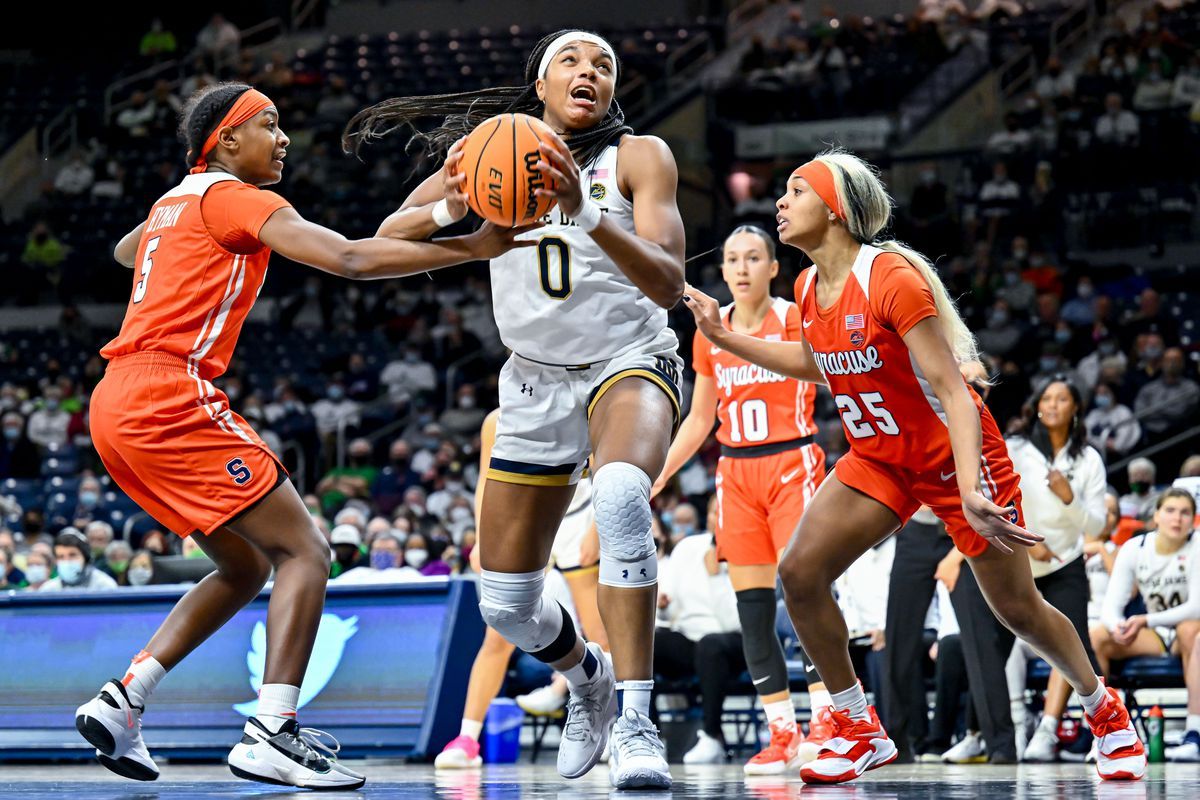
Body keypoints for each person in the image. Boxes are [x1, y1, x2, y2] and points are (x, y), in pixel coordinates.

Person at [73, 81, 533, 790]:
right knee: (307, 551)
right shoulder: (235, 197)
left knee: (246, 566)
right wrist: (472, 244)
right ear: (225, 141)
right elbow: (349, 258)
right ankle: (272, 732)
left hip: (113, 405)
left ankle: (124, 698)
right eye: (269, 124)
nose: (284, 138)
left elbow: (126, 252)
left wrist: (442, 207)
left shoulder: (178, 200)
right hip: (170, 391)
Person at [681, 148, 1145, 784]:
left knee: (1017, 608)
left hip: (954, 458)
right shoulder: (808, 285)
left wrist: (974, 488)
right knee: (801, 571)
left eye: (796, 190)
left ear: (837, 209)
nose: (780, 203)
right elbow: (822, 365)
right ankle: (854, 724)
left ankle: (1105, 712)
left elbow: (955, 392)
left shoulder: (891, 277)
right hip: (879, 458)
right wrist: (725, 337)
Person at [347, 29, 686, 789]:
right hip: (534, 376)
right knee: (505, 605)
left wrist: (585, 210)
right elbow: (390, 233)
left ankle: (636, 718)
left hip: (626, 357)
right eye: (570, 60)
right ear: (539, 84)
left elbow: (667, 282)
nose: (588, 71)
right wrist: (461, 218)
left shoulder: (639, 157)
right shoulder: (483, 150)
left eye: (602, 64)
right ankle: (588, 679)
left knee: (625, 493)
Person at [652, 224, 828, 773]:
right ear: (723, 271)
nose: (744, 267)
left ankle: (829, 718)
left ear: (774, 267)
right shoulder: (710, 329)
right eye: (733, 259)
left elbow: (832, 376)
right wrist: (658, 471)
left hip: (792, 462)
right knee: (752, 614)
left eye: (755, 257)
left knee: (805, 597)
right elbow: (701, 417)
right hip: (736, 474)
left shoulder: (796, 319)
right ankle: (782, 733)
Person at [436, 409, 610, 769]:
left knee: (601, 635)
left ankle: (615, 728)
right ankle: (467, 738)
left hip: (578, 514)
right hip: (524, 521)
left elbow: (604, 469)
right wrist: (484, 538)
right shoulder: (496, 420)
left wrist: (596, 527)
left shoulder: (579, 403)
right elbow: (487, 481)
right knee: (497, 636)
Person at [1005, 378, 1107, 762]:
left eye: (1062, 399)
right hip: (1019, 560)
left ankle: (1050, 729)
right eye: (1046, 398)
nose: (1052, 405)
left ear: (1075, 407)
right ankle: (1009, 726)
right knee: (999, 642)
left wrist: (1069, 499)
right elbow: (999, 495)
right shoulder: (1016, 447)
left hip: (1066, 563)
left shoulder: (1089, 459)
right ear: (1036, 404)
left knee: (1072, 644)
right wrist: (1027, 536)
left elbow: (1097, 527)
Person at [1092, 489, 1200, 762]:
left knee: (1191, 630)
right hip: (1154, 633)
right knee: (1099, 636)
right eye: (1170, 511)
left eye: (1185, 512)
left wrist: (1145, 620)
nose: (1177, 518)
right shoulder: (1135, 548)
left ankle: (1194, 733)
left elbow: (1196, 607)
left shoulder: (1197, 544)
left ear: (1193, 519)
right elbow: (1111, 608)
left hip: (1186, 632)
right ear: (1156, 516)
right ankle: (1102, 735)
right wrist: (1118, 627)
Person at [652, 522, 743, 765]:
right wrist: (663, 606)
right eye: (713, 512)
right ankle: (649, 738)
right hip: (691, 638)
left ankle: (712, 736)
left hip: (735, 641)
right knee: (649, 644)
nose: (716, 518)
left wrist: (715, 577)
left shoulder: (745, 548)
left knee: (710, 645)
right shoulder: (687, 547)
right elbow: (669, 611)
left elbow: (734, 622)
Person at [41, 529, 118, 591]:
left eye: (72, 555)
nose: (67, 561)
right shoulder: (48, 590)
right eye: (61, 557)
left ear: (86, 557)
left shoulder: (105, 586)